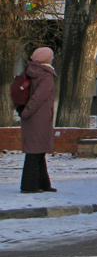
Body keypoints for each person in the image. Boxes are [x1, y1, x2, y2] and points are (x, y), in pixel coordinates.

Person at [19, 46, 57, 194]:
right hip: (39, 118)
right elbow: (38, 97)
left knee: (38, 151)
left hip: (31, 117)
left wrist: (23, 111)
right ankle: (29, 186)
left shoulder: (29, 71)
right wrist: (27, 112)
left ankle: (43, 183)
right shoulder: (46, 76)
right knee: (35, 152)